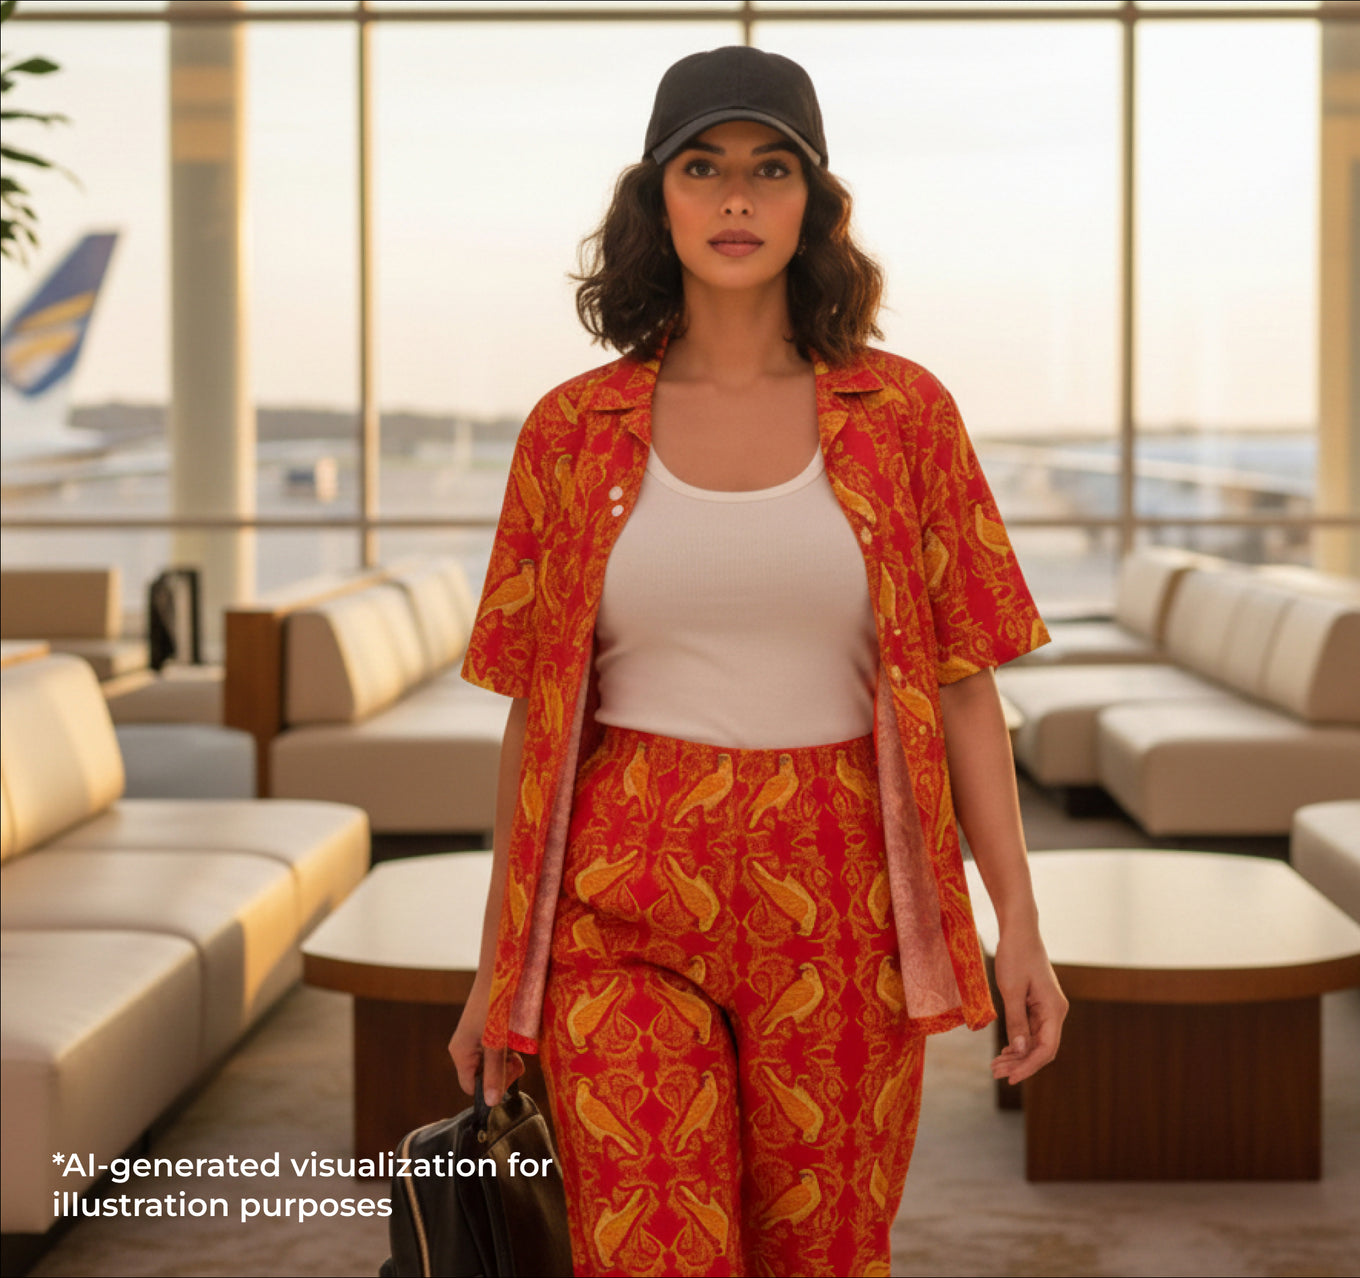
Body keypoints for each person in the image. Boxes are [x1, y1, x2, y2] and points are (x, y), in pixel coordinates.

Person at [449, 45, 1068, 1278]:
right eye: (702, 167)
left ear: (813, 205)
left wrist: (1021, 928)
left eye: (769, 169)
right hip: (618, 894)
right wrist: (495, 972)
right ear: (655, 200)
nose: (735, 199)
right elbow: (536, 718)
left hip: (845, 896)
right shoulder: (570, 433)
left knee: (819, 1255)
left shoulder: (904, 418)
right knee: (651, 1252)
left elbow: (962, 685)